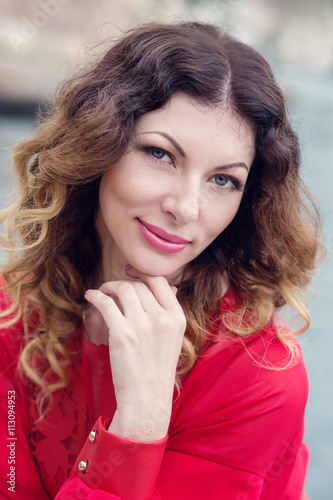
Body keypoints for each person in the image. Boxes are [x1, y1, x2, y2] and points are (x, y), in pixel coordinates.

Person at [0, 21, 323, 499]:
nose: (186, 207)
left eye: (224, 180)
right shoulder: (13, 311)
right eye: (160, 154)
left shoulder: (257, 374)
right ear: (98, 146)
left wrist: (142, 419)